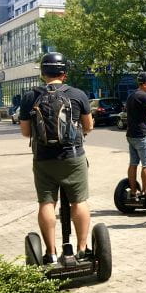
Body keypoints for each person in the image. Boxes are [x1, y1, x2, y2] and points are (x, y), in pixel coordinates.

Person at [19, 52, 93, 264]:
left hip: (43, 159)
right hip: (73, 157)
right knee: (79, 202)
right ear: (65, 73)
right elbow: (88, 126)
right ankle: (81, 249)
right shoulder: (78, 95)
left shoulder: (29, 97)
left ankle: (50, 254)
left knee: (46, 203)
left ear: (43, 73)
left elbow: (25, 132)